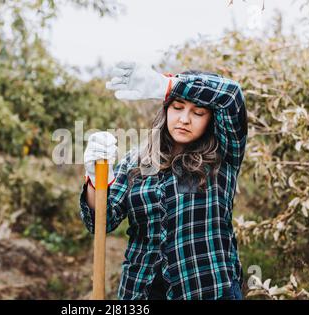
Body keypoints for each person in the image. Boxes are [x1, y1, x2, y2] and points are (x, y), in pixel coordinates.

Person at [79, 61, 248, 300]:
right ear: (166, 110)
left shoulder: (224, 155)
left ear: (211, 119)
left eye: (198, 112)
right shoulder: (134, 161)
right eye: (177, 107)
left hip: (207, 291)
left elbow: (231, 95)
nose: (185, 119)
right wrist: (95, 179)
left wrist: (169, 85)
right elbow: (100, 221)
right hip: (140, 293)